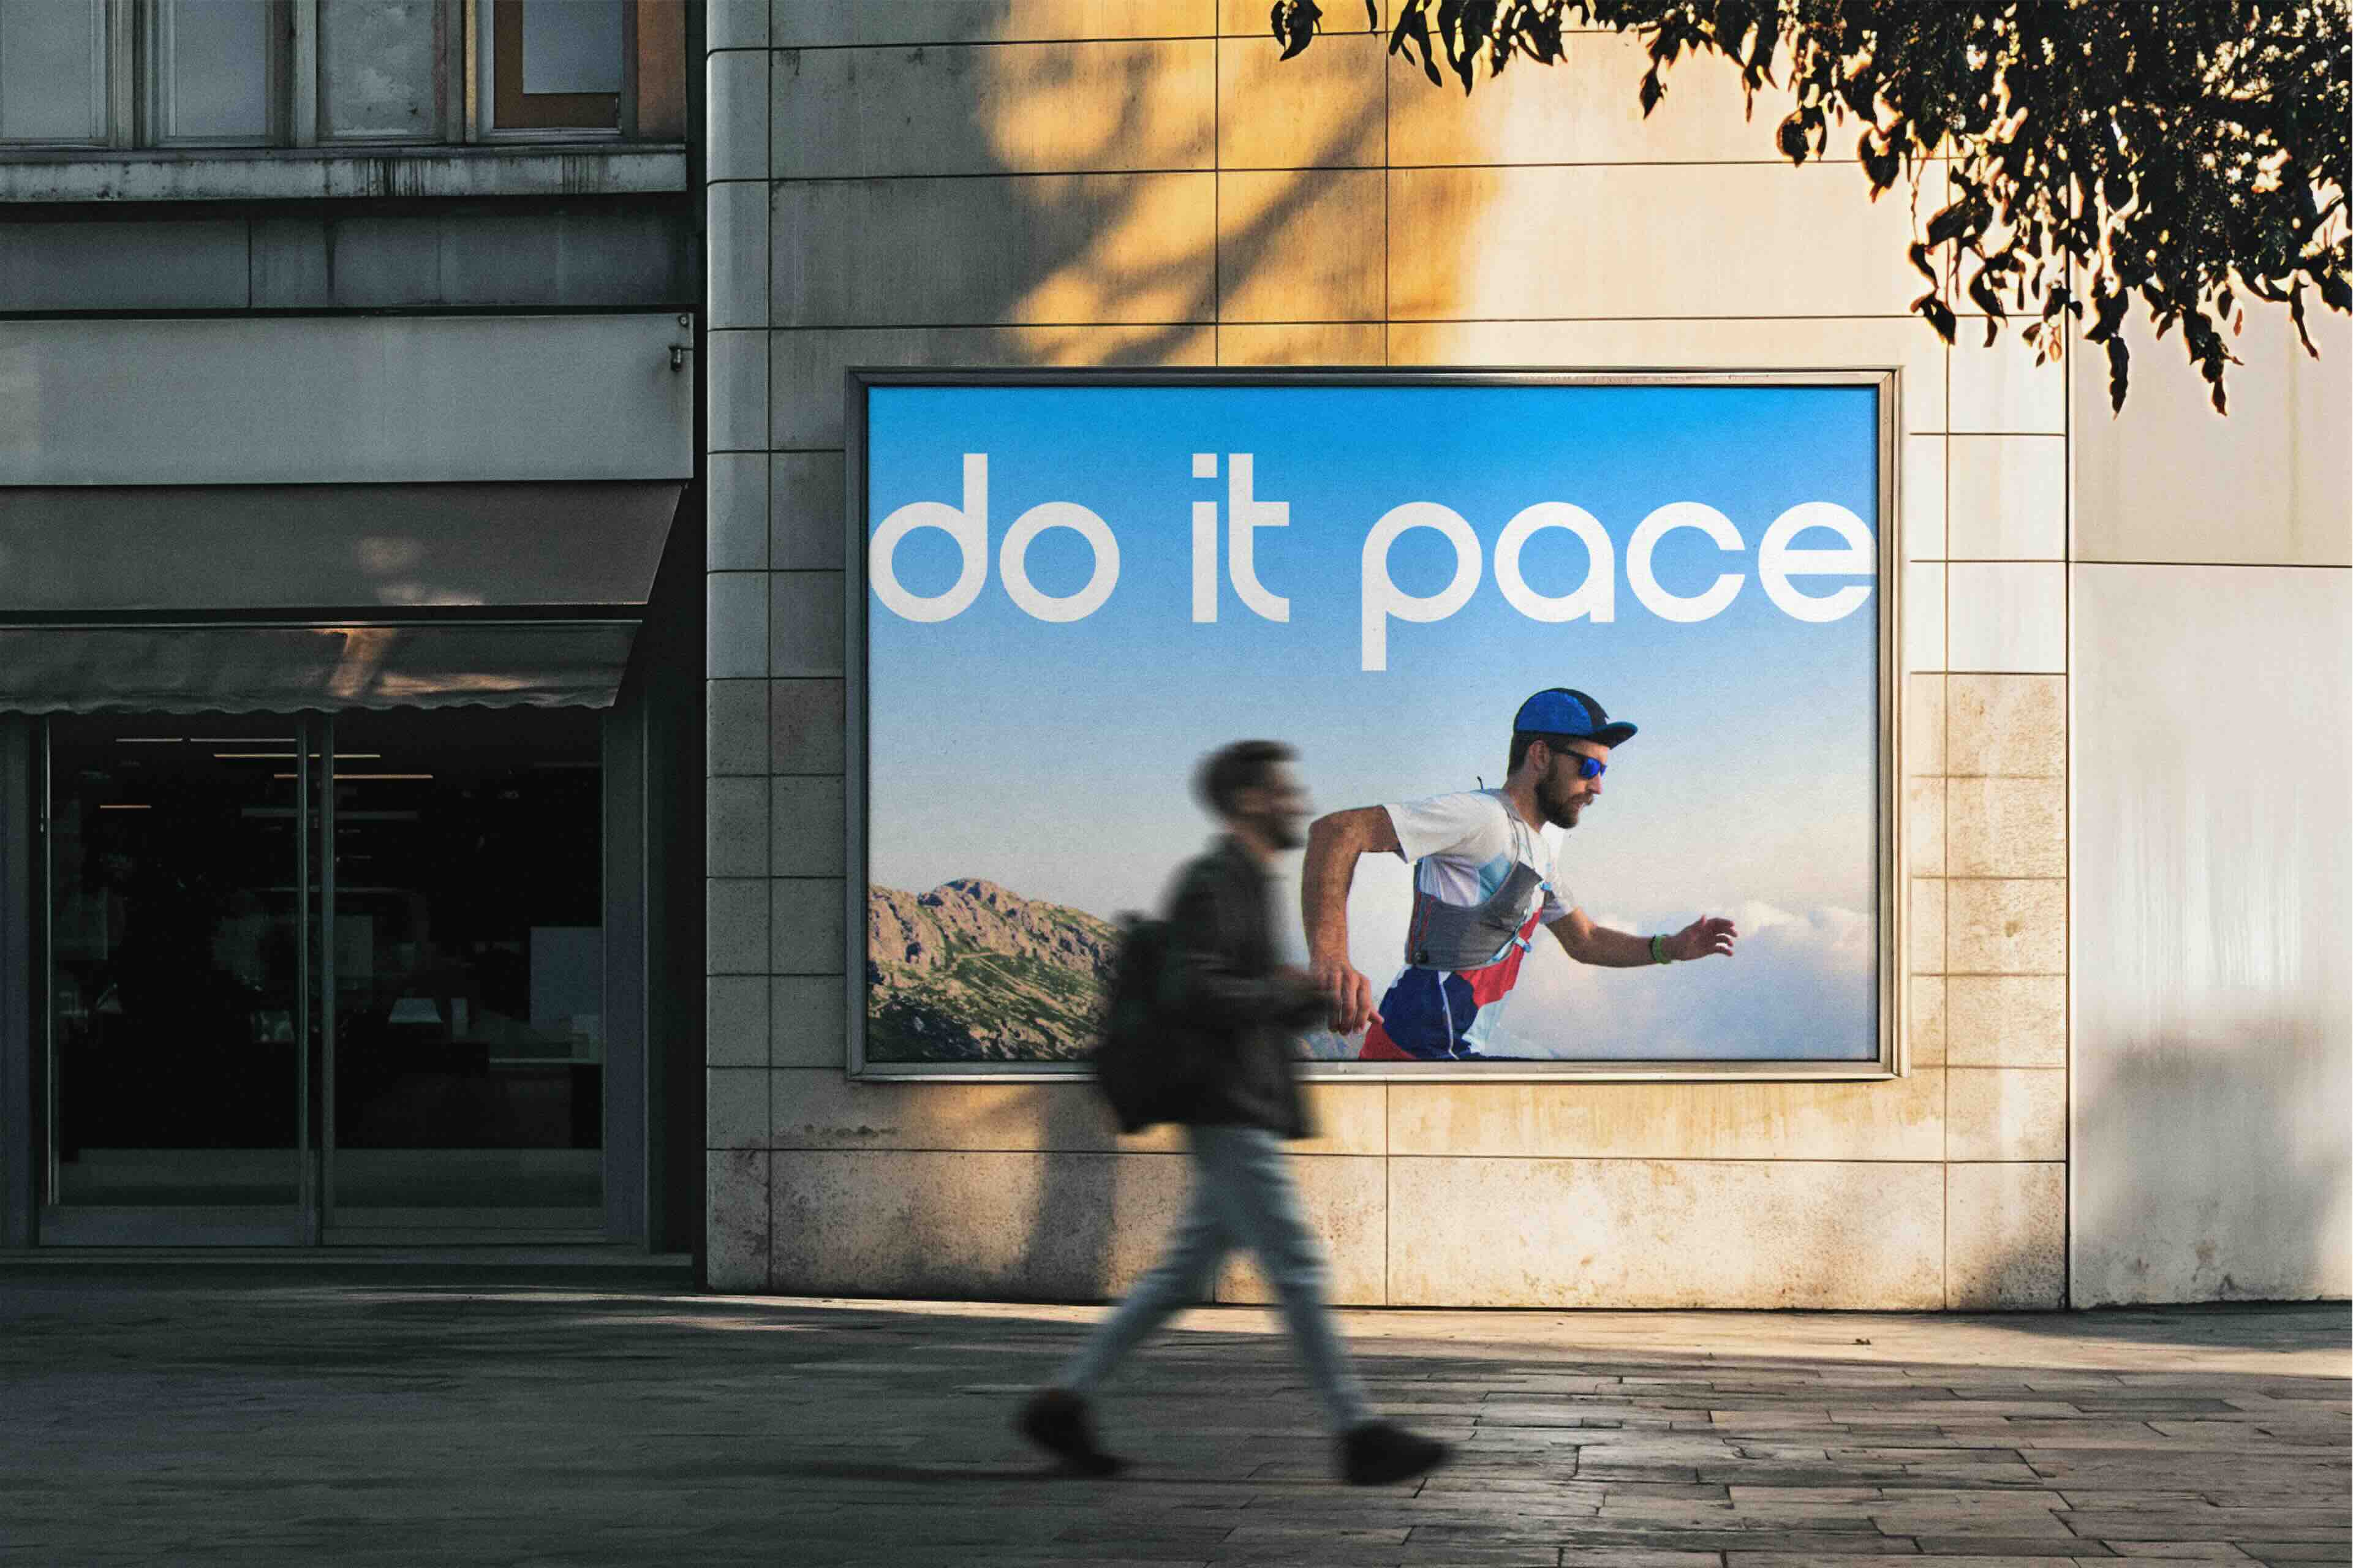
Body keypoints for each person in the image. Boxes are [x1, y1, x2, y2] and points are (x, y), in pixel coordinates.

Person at [1017, 739, 1451, 1487]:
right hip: (1227, 1104)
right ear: (1250, 800)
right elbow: (1199, 991)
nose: (1298, 803)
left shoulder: (1243, 880)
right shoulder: (1216, 880)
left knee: (1182, 1274)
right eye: (1285, 792)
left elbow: (1225, 985)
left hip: (1235, 1101)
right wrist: (1295, 996)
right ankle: (1357, 1431)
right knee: (1296, 1262)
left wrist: (1292, 993)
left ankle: (1065, 1400)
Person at [1302, 688, 1738, 1059]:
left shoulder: (1540, 850)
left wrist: (1670, 948)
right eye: (1588, 768)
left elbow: (1583, 940)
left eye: (1603, 771)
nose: (1598, 786)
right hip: (1408, 1057)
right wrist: (1331, 958)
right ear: (1540, 755)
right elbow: (1337, 831)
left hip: (1449, 1060)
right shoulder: (1480, 816)